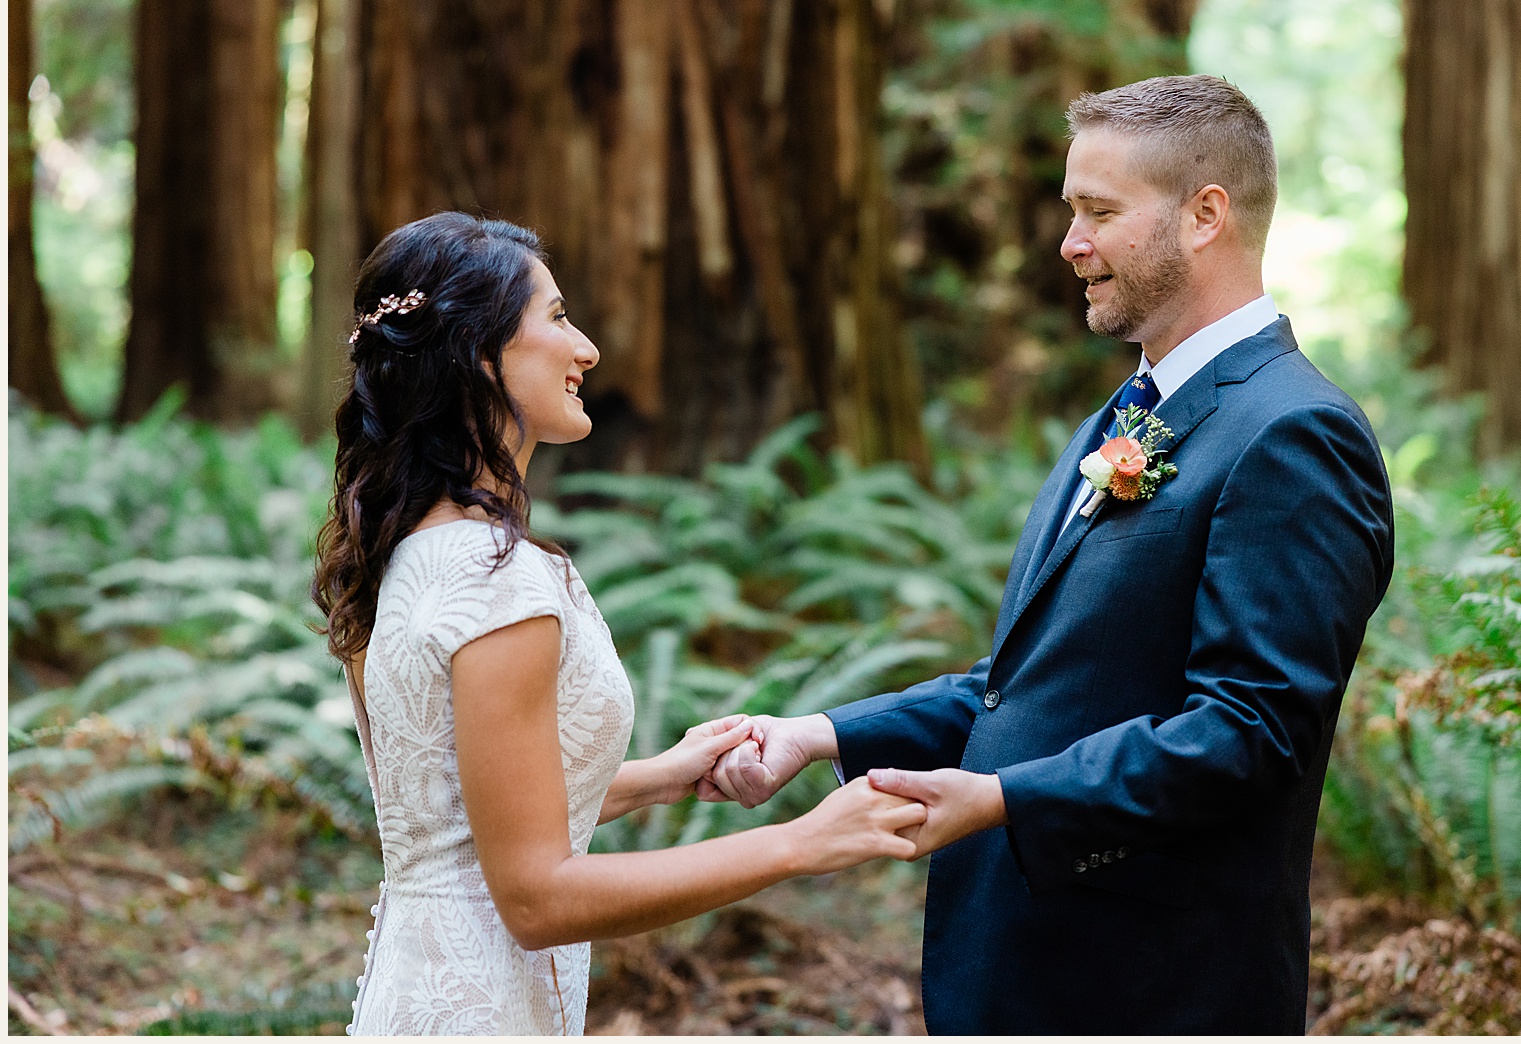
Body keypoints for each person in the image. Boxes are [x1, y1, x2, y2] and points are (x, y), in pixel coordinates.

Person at [702, 74, 1396, 1032]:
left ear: (1205, 216)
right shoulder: (1125, 416)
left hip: (1145, 989)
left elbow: (1251, 735)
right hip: (1016, 970)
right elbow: (1021, 687)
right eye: (1071, 212)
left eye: (1098, 212)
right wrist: (818, 734)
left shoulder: (1292, 433)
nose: (1070, 245)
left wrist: (999, 800)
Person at [312, 212, 927, 1035]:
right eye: (558, 318)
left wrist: (665, 775)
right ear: (478, 355)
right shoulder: (498, 582)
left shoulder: (404, 553)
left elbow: (465, 811)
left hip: (422, 998)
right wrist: (804, 842)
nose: (587, 349)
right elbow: (535, 898)